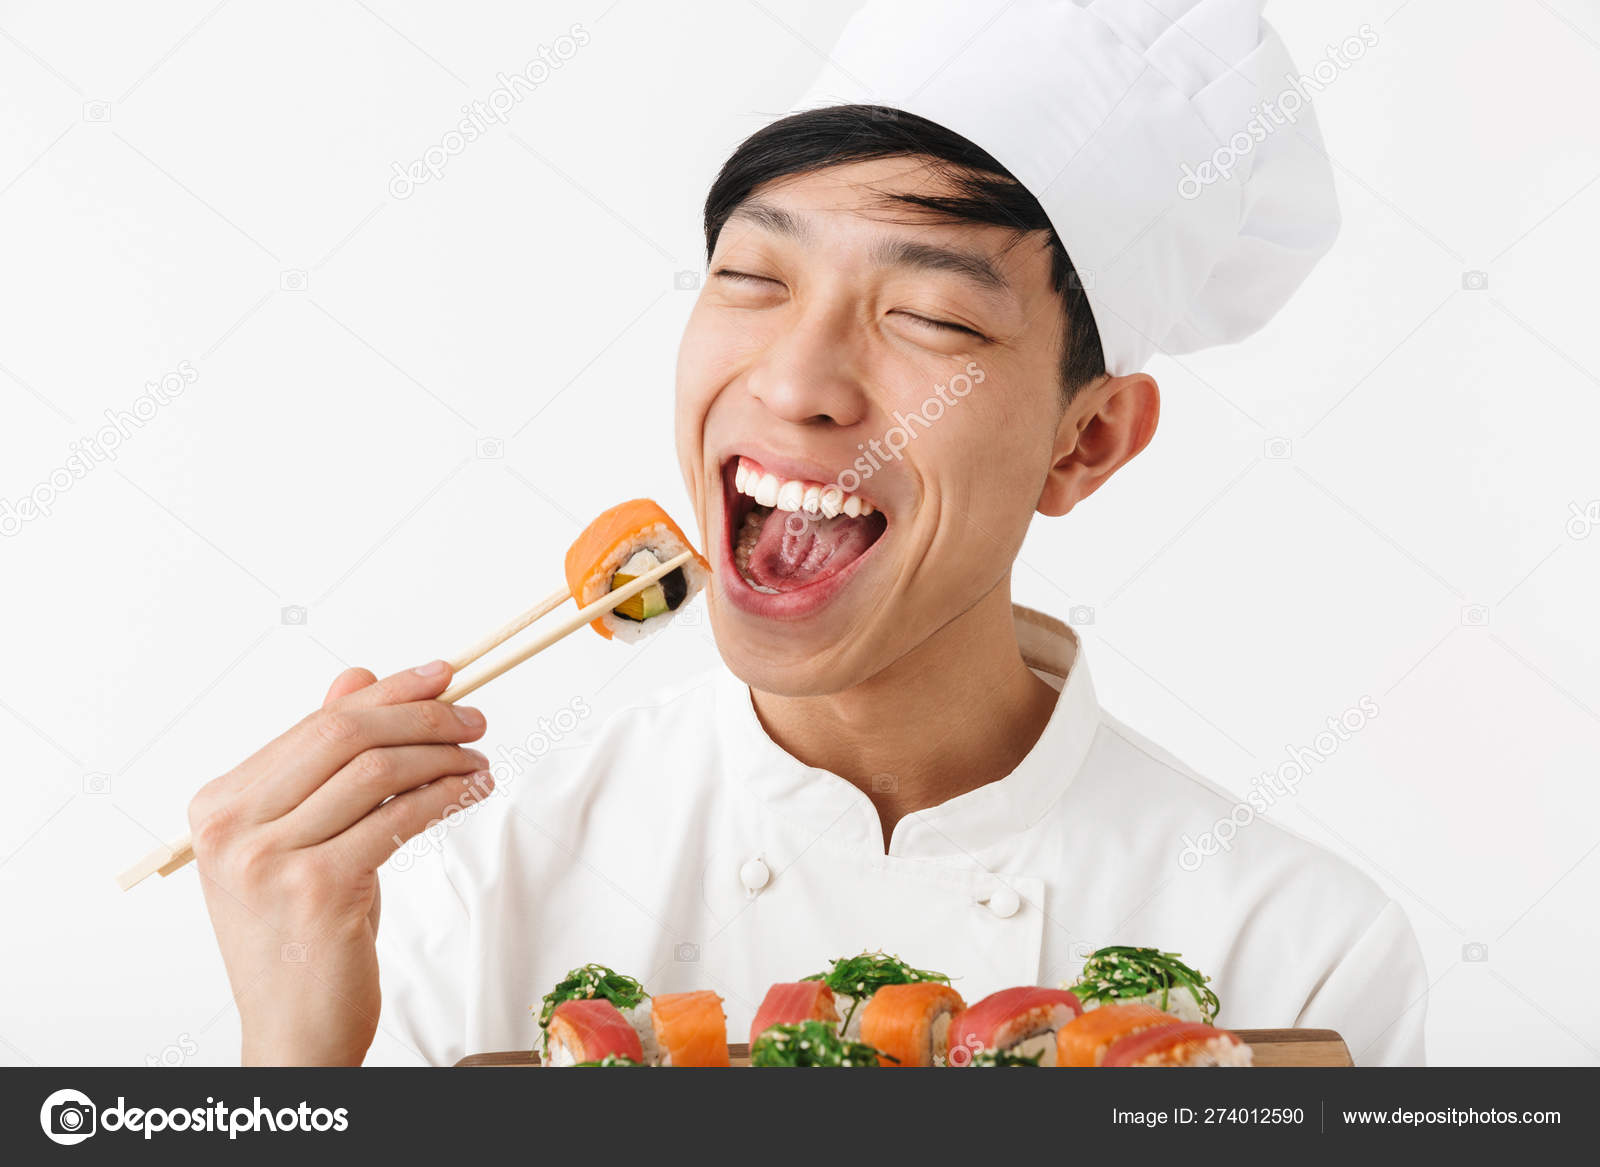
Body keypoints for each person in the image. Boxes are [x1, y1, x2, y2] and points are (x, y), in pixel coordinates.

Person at [187, 0, 1427, 1067]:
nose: (797, 382)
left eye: (931, 316)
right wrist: (292, 1065)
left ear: (1084, 441)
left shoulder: (1296, 951)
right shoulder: (479, 886)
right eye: (752, 279)